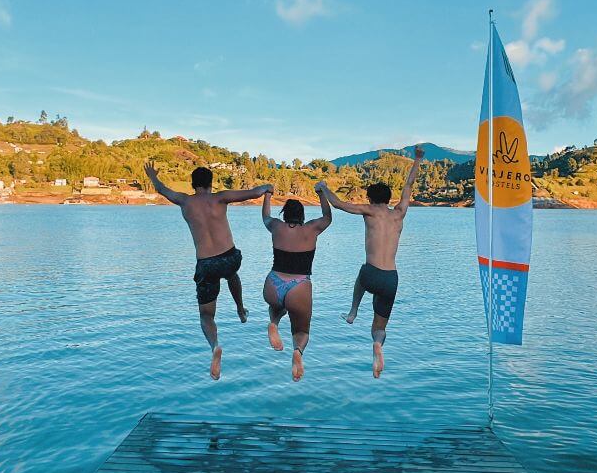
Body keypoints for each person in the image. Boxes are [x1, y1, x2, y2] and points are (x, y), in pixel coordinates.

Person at [144, 161, 272, 380]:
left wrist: (153, 176)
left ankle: (214, 346)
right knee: (231, 272)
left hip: (206, 264)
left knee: (206, 316)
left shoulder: (184, 201)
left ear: (193, 184)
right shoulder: (220, 197)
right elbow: (253, 193)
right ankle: (241, 310)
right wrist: (266, 187)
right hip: (230, 257)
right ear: (211, 184)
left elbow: (161, 189)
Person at [315, 145, 423, 378]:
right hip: (391, 278)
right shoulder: (399, 212)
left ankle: (353, 311)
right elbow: (408, 186)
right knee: (379, 327)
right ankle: (377, 345)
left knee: (362, 276)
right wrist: (417, 160)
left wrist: (324, 188)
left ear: (372, 199)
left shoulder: (369, 211)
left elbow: (340, 205)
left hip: (371, 273)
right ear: (388, 198)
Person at [261, 188, 332, 382]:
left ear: (284, 215)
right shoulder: (312, 228)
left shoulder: (276, 226)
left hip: (273, 283)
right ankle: (298, 352)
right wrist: (321, 194)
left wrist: (267, 195)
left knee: (276, 306)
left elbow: (266, 216)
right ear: (302, 215)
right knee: (301, 331)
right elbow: (327, 217)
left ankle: (273, 323)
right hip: (299, 286)